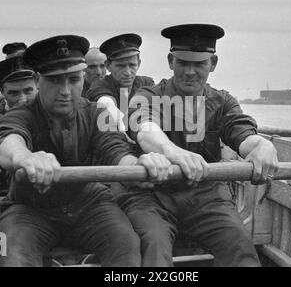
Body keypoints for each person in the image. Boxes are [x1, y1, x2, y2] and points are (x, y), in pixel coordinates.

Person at [0, 34, 172, 267]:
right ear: (38, 81)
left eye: (74, 80)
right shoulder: (21, 114)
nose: (66, 90)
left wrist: (139, 167)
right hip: (29, 209)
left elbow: (115, 150)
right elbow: (7, 139)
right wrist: (25, 158)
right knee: (6, 248)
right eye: (55, 81)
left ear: (83, 79)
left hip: (90, 204)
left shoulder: (96, 113)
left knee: (127, 242)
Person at [119, 24, 279, 267]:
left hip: (207, 196)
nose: (190, 72)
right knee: (153, 246)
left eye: (199, 64)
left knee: (239, 245)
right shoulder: (148, 95)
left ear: (213, 63)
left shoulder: (223, 101)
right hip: (152, 196)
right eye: (183, 63)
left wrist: (261, 146)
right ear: (171, 61)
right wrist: (172, 151)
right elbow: (144, 127)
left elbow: (241, 132)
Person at [86, 33, 155, 131]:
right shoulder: (100, 85)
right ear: (108, 65)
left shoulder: (147, 83)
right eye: (120, 66)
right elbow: (105, 100)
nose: (127, 72)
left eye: (132, 65)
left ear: (139, 63)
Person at [0, 55, 38, 138]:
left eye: (28, 91)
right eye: (14, 93)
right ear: (2, 93)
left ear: (38, 86)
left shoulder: (48, 105)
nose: (22, 100)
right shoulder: (3, 108)